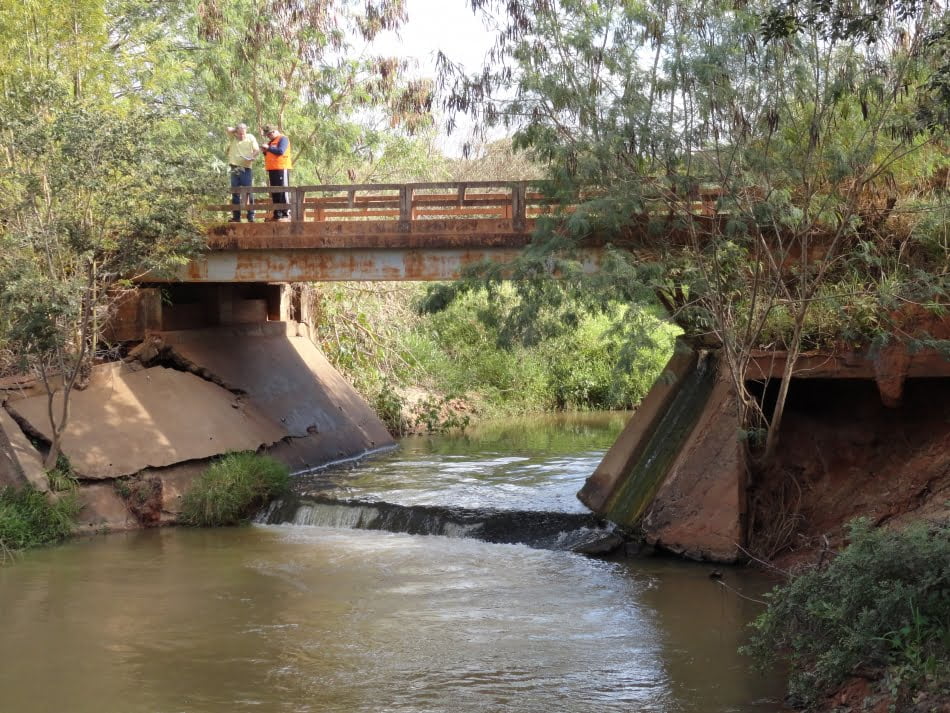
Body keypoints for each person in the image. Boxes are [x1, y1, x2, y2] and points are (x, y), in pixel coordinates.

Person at [226, 123, 260, 222]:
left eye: (243, 133)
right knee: (235, 192)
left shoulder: (250, 137)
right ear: (236, 133)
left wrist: (252, 156)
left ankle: (251, 216)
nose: (242, 136)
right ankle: (236, 217)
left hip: (246, 167)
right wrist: (236, 131)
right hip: (234, 167)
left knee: (248, 192)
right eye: (240, 134)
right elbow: (228, 128)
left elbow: (257, 150)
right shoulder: (233, 137)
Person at [260, 124, 292, 221]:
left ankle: (286, 213)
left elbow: (281, 151)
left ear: (273, 132)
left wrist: (268, 148)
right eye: (267, 135)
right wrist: (265, 150)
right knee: (275, 192)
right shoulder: (271, 142)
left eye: (269, 134)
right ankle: (277, 214)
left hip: (281, 168)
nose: (268, 137)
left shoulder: (283, 139)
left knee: (283, 190)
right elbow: (270, 153)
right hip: (272, 169)